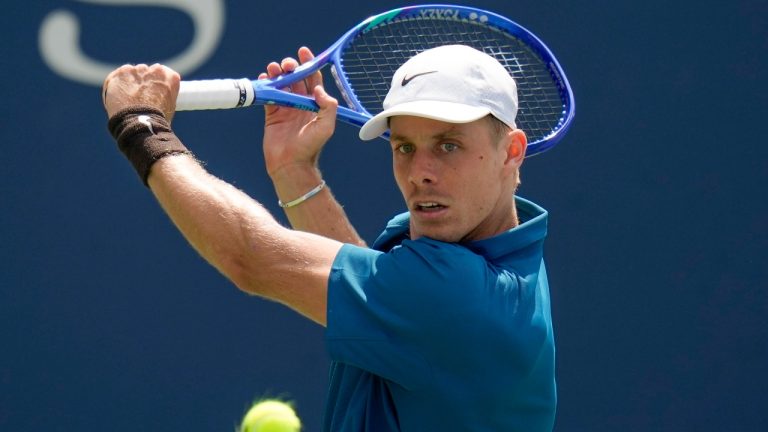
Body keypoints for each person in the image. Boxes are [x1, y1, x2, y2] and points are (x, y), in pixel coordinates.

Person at [102, 44, 556, 431]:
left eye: (448, 145)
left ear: (511, 152)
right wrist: (294, 170)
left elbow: (251, 257)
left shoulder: (458, 294)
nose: (420, 172)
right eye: (404, 147)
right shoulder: (506, 256)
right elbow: (382, 301)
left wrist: (141, 126)